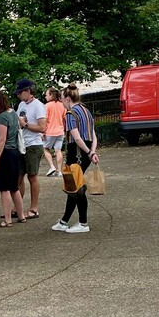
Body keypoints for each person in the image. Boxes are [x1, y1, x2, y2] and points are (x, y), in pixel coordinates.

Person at [51, 84, 99, 233]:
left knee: (77, 188)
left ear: (67, 98)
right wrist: (92, 151)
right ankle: (64, 221)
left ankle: (83, 223)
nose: (62, 104)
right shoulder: (86, 111)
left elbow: (77, 137)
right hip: (86, 151)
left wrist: (88, 152)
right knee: (73, 186)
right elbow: (94, 134)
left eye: (62, 101)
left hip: (76, 153)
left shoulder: (71, 114)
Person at [0, 89, 27, 227]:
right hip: (15, 152)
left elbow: (1, 139)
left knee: (4, 188)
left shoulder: (1, 117)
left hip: (5, 154)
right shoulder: (13, 114)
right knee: (14, 187)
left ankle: (8, 219)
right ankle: (21, 215)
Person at [15, 79, 47, 219]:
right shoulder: (22, 104)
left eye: (20, 92)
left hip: (33, 145)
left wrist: (26, 125)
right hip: (23, 144)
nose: (18, 95)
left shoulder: (38, 105)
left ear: (28, 91)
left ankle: (34, 208)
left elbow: (42, 127)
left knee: (32, 176)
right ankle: (18, 207)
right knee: (19, 176)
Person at [42, 87, 66, 177]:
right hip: (60, 131)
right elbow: (64, 118)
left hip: (50, 131)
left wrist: (42, 132)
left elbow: (45, 120)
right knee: (58, 150)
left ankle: (52, 166)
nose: (45, 97)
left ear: (51, 95)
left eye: (46, 95)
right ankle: (59, 171)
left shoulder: (47, 106)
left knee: (45, 149)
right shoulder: (62, 105)